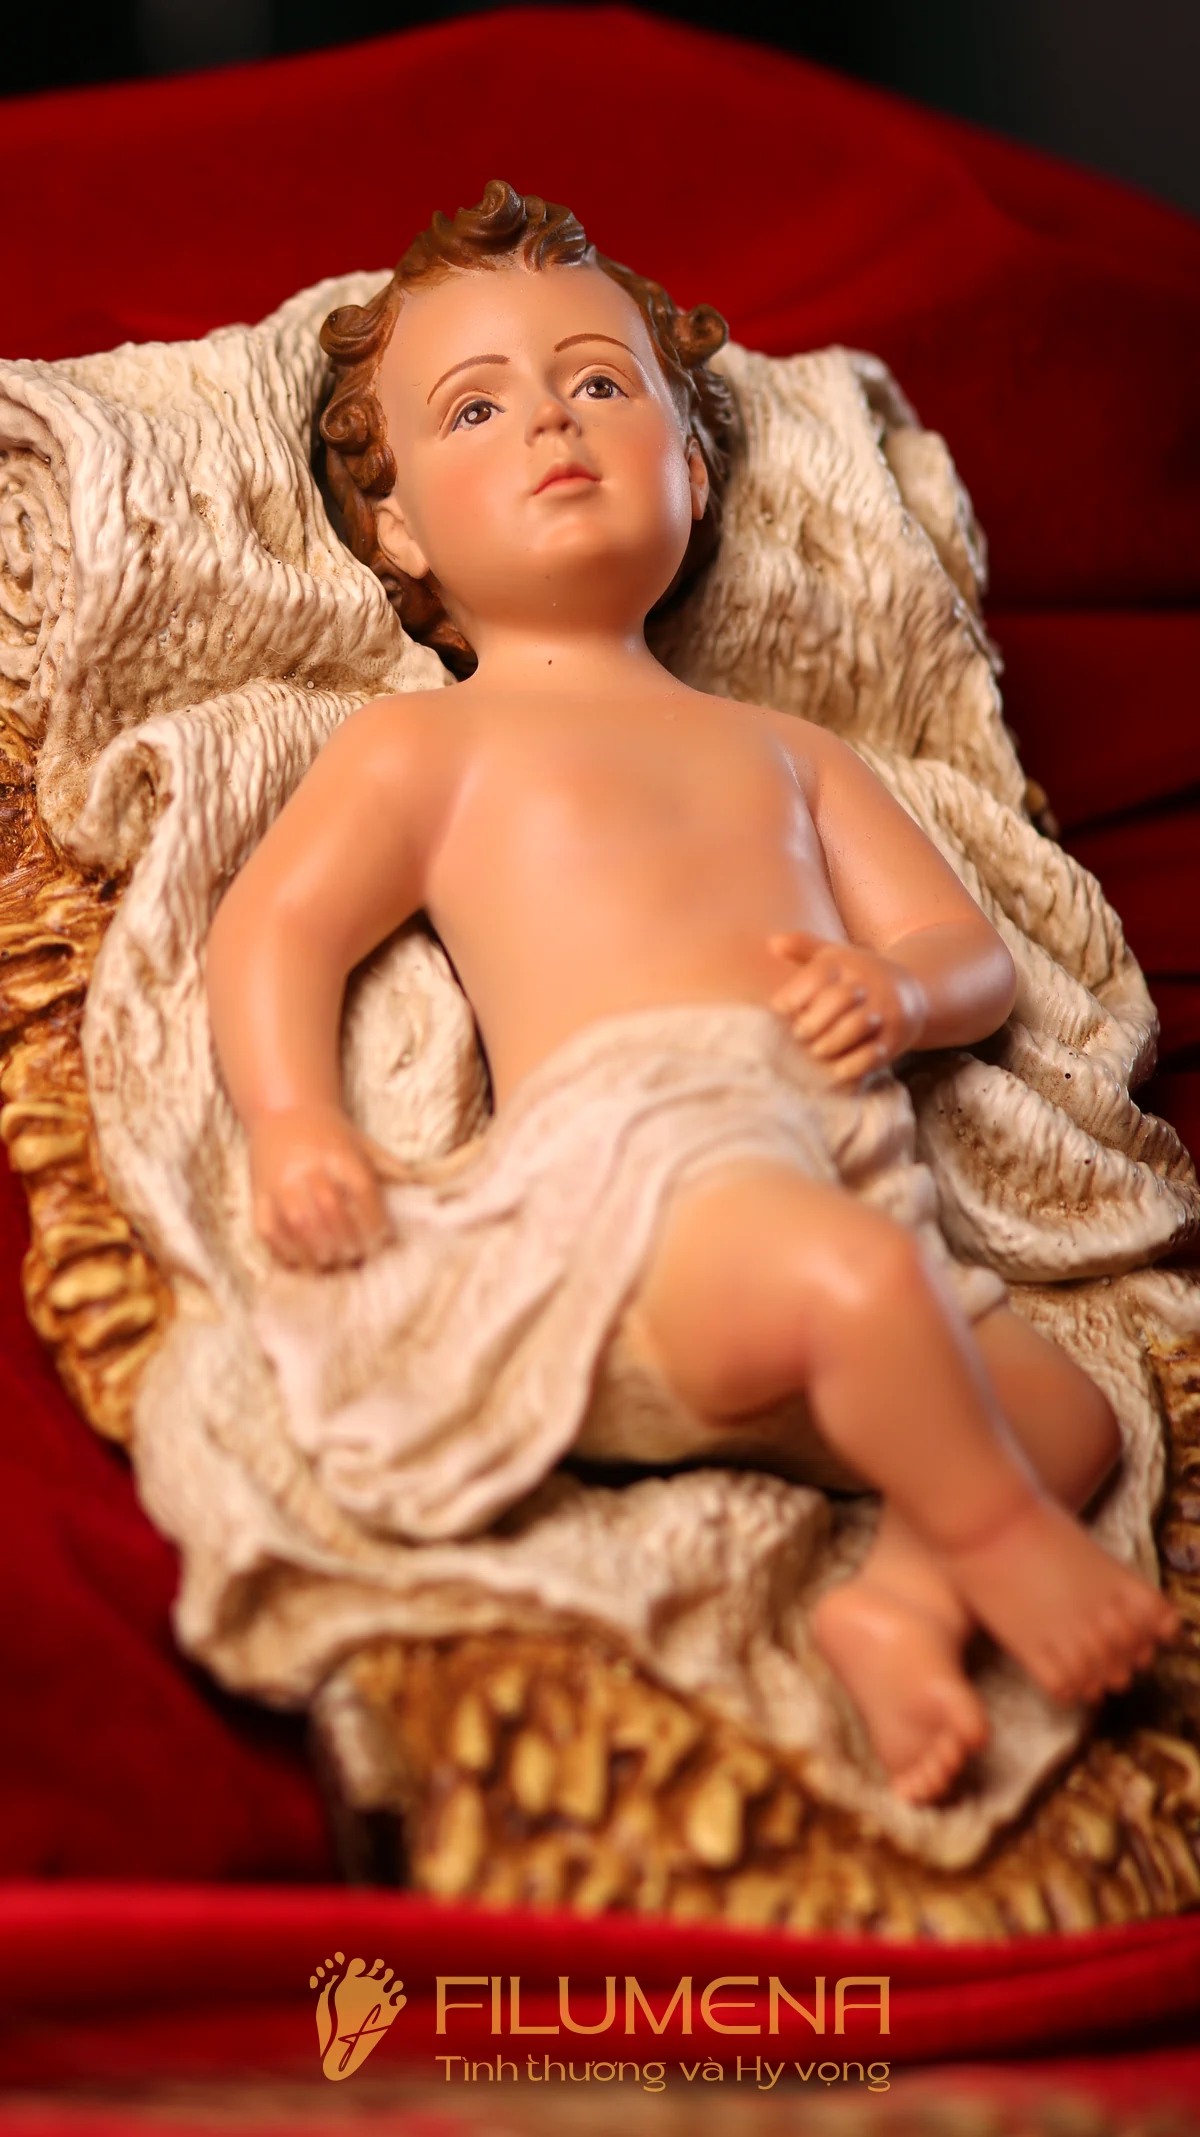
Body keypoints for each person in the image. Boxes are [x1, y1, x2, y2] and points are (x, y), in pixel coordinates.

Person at [206, 182, 1177, 1805]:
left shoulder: (783, 750)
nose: (552, 422)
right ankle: (1006, 1548)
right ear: (397, 531)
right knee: (866, 1294)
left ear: (693, 462)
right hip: (640, 1205)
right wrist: (295, 1119)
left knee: (1069, 1416)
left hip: (827, 1182)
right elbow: (277, 932)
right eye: (475, 407)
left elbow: (970, 955)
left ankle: (901, 1606)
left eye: (599, 382)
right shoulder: (426, 744)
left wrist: (896, 991)